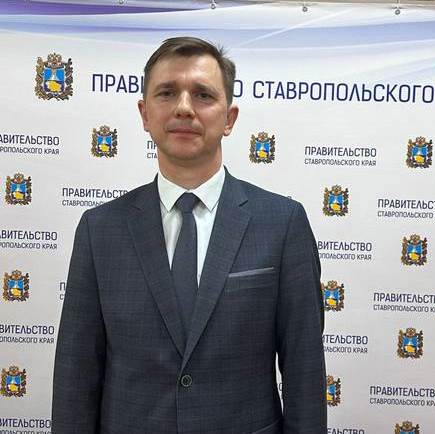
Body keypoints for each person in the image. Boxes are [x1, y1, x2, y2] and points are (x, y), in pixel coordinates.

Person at [52, 37, 326, 434]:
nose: (184, 107)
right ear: (145, 114)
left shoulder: (282, 224)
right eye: (167, 93)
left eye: (203, 95)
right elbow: (76, 377)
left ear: (229, 118)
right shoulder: (100, 230)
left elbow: (305, 374)